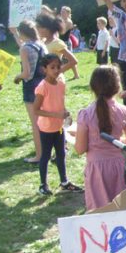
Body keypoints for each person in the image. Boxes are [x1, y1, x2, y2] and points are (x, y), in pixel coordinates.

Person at [75, 66, 126, 211]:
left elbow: (80, 149)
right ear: (117, 86)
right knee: (121, 209)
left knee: (98, 212)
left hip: (97, 170)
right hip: (119, 167)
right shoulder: (125, 111)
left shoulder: (86, 114)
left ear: (92, 87)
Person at [33, 53, 82, 195]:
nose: (56, 70)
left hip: (59, 127)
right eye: (52, 67)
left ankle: (64, 181)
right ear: (44, 69)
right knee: (46, 156)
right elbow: (36, 110)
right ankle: (43, 185)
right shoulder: (42, 87)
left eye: (58, 67)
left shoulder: (61, 83)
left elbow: (59, 103)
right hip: (47, 129)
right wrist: (56, 115)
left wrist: (65, 113)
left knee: (61, 153)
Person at [11, 21, 46, 163]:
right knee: (46, 121)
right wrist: (14, 33)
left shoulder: (25, 48)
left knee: (35, 123)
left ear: (23, 32)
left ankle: (39, 155)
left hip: (31, 88)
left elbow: (26, 74)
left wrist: (17, 77)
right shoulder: (41, 44)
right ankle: (50, 151)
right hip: (44, 85)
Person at [34, 13, 79, 78]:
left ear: (46, 29)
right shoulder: (43, 41)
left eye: (38, 27)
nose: (36, 30)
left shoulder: (57, 43)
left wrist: (57, 72)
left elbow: (73, 61)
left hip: (55, 80)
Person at [59, 6, 80, 79]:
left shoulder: (69, 21)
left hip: (66, 42)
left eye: (63, 12)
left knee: (69, 59)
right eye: (61, 11)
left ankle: (75, 75)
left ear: (68, 13)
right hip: (61, 42)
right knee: (65, 59)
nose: (61, 13)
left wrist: (57, 27)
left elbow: (62, 32)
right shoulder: (61, 20)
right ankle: (74, 75)